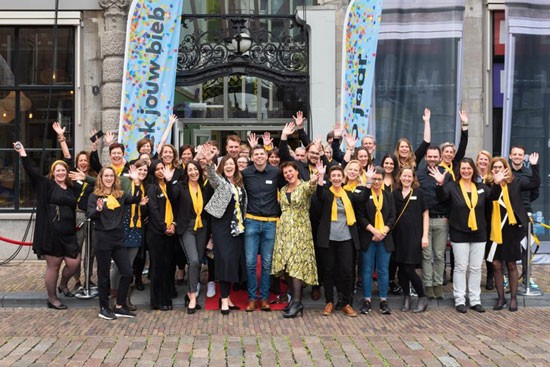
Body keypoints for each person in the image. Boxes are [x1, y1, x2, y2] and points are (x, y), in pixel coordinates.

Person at [14, 141, 81, 310]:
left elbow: (71, 162)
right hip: (52, 233)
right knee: (54, 266)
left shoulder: (71, 188)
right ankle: (52, 299)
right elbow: (31, 171)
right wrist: (22, 151)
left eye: (63, 170)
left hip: (69, 233)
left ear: (67, 173)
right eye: (57, 170)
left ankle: (63, 284)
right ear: (53, 173)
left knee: (74, 263)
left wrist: (62, 140)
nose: (60, 172)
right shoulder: (47, 185)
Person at [429, 158, 491, 313]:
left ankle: (475, 300)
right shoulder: (452, 187)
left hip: (479, 232)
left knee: (476, 268)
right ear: (459, 170)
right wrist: (439, 184)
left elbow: (492, 200)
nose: (466, 171)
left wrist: (496, 184)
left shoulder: (481, 187)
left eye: (469, 168)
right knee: (460, 267)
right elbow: (441, 198)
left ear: (473, 170)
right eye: (463, 168)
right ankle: (460, 299)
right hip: (459, 231)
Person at [87, 165, 147, 320]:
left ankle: (120, 305)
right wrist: (99, 209)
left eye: (111, 176)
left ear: (115, 179)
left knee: (127, 273)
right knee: (104, 275)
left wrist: (137, 181)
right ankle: (104, 308)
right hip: (102, 239)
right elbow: (90, 216)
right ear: (101, 178)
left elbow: (137, 198)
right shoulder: (94, 196)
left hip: (118, 238)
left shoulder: (120, 195)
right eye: (106, 176)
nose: (108, 178)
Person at [486, 155, 539, 311]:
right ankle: (501, 298)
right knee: (496, 264)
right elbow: (492, 200)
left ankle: (513, 299)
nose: (497, 170)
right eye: (494, 167)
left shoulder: (515, 183)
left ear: (505, 169)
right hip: (494, 228)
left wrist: (534, 166)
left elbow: (534, 184)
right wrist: (496, 183)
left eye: (500, 167)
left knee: (510, 264)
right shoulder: (488, 184)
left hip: (511, 228)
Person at [200, 144, 247, 315]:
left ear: (235, 168)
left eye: (232, 165)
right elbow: (212, 176)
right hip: (222, 227)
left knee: (233, 263)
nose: (229, 167)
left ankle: (227, 297)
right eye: (226, 165)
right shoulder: (220, 182)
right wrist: (208, 162)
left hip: (237, 229)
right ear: (222, 167)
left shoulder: (240, 184)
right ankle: (225, 299)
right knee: (225, 262)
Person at [272, 161, 319, 318]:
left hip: (300, 231)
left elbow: (312, 187)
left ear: (297, 171)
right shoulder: (284, 189)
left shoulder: (304, 186)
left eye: (290, 171)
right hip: (284, 231)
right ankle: (293, 301)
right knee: (286, 265)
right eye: (285, 173)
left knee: (296, 265)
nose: (288, 174)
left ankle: (298, 302)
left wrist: (314, 180)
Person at [165, 160, 212, 314]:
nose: (193, 172)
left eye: (195, 169)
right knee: (193, 260)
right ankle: (192, 296)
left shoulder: (204, 189)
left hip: (202, 227)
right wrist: (169, 180)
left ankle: (191, 291)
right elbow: (172, 197)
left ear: (199, 171)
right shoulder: (180, 186)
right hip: (187, 227)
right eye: (190, 170)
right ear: (187, 172)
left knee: (197, 262)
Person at [316, 165, 360, 317]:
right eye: (333, 175)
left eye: (338, 176)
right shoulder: (327, 194)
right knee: (328, 271)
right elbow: (319, 195)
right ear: (330, 178)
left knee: (347, 271)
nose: (336, 178)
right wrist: (320, 177)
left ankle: (346, 303)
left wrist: (367, 184)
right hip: (328, 239)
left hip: (346, 239)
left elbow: (363, 198)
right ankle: (329, 302)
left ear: (343, 178)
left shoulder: (349, 194)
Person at [241, 145, 280, 312]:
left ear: (267, 156)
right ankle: (251, 298)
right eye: (255, 154)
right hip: (251, 221)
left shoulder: (276, 172)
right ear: (251, 157)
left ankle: (264, 298)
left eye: (262, 154)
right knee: (250, 263)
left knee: (266, 263)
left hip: (271, 222)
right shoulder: (245, 173)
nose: (259, 156)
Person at [109, 159, 148, 311]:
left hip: (136, 228)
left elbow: (142, 206)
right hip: (122, 227)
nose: (143, 173)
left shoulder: (144, 185)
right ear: (133, 169)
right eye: (140, 170)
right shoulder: (124, 181)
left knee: (128, 266)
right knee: (119, 266)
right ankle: (113, 295)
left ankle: (124, 297)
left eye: (145, 170)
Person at [356, 166, 396, 315]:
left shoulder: (389, 195)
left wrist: (383, 231)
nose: (377, 182)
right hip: (368, 237)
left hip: (384, 238)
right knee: (366, 270)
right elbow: (360, 216)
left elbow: (393, 215)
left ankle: (383, 300)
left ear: (384, 179)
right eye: (374, 179)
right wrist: (373, 231)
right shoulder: (365, 194)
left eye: (379, 179)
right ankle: (367, 300)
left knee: (383, 270)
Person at [392, 167, 429, 312]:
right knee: (401, 268)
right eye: (404, 176)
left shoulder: (419, 193)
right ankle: (406, 298)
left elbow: (425, 214)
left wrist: (425, 235)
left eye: (409, 176)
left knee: (409, 267)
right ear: (399, 177)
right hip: (397, 236)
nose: (406, 178)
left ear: (413, 178)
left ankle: (422, 296)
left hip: (414, 236)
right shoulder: (394, 194)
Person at [418, 146, 449, 299]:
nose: (432, 159)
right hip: (424, 220)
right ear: (425, 157)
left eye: (435, 156)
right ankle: (428, 285)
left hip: (441, 219)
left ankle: (438, 285)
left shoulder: (446, 174)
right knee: (426, 254)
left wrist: (440, 184)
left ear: (440, 157)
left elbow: (447, 197)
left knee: (439, 255)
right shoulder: (419, 175)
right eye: (429, 156)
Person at [146, 160, 176, 311]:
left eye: (162, 168)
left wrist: (173, 225)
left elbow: (177, 204)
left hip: (171, 231)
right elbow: (153, 209)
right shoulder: (151, 188)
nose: (159, 171)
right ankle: (156, 301)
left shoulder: (169, 185)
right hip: (157, 232)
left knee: (168, 266)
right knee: (157, 267)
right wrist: (163, 227)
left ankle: (167, 298)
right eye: (156, 169)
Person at [509, 145, 541, 289]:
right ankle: (506, 277)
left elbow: (535, 192)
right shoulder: (505, 172)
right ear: (510, 156)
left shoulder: (529, 173)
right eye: (514, 154)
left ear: (524, 157)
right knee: (507, 247)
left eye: (520, 154)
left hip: (525, 214)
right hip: (507, 214)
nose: (517, 157)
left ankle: (527, 277)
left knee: (526, 247)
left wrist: (523, 205)